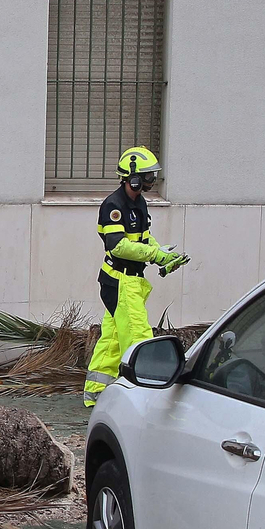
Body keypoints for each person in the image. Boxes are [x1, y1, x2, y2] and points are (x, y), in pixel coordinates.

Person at [83, 146, 190, 407]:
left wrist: (160, 252)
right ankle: (142, 401)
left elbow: (142, 238)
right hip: (120, 282)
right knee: (138, 340)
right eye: (148, 176)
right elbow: (117, 246)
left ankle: (96, 392)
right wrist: (154, 256)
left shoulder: (138, 203)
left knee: (112, 340)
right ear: (133, 177)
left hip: (129, 282)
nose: (152, 181)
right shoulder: (113, 205)